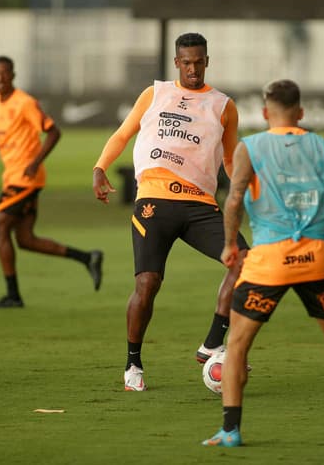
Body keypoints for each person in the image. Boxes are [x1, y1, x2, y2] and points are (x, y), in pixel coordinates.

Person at [202, 79, 324, 447]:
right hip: (315, 259)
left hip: (268, 261)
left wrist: (230, 244)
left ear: (265, 113)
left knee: (238, 344)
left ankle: (230, 430)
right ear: (302, 113)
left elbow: (233, 201)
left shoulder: (251, 147)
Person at [92, 33, 249, 391]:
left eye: (199, 62)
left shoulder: (223, 105)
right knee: (147, 284)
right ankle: (133, 364)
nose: (193, 69)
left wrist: (247, 186)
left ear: (207, 61)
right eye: (186, 62)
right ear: (176, 63)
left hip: (199, 205)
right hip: (154, 201)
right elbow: (122, 134)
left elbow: (228, 157)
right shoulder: (155, 94)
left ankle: (212, 343)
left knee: (244, 261)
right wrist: (100, 168)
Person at [0, 55, 103, 309]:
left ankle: (13, 296)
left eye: (4, 73)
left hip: (26, 179)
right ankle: (88, 258)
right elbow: (0, 138)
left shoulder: (25, 103)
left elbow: (54, 131)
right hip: (12, 177)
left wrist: (34, 163)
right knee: (25, 240)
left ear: (13, 75)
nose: (0, 78)